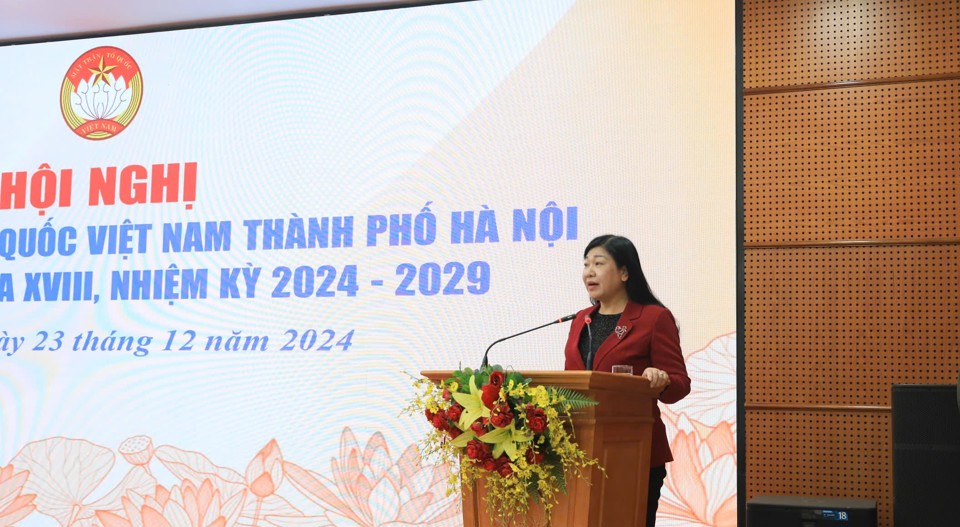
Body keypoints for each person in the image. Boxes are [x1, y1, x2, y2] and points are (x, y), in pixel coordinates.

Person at [564, 234, 690, 527]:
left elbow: (680, 383)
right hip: (581, 451)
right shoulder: (581, 320)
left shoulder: (653, 318)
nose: (589, 272)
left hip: (633, 453)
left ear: (624, 272)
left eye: (598, 263)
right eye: (585, 264)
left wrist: (662, 379)